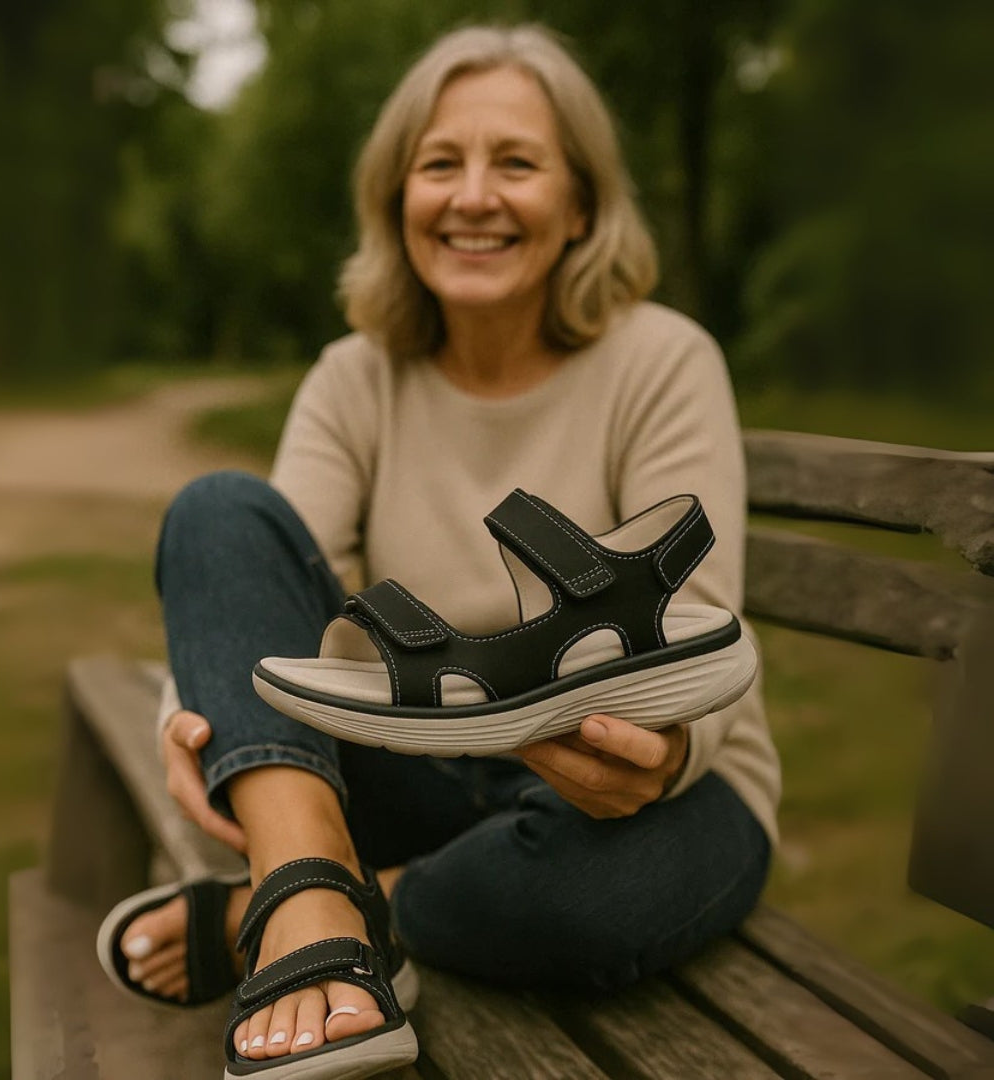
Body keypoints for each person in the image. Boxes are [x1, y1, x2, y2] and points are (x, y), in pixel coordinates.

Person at [104, 23, 780, 1079]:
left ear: (582, 207)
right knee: (217, 505)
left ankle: (299, 901)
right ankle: (323, 905)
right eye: (438, 165)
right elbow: (255, 576)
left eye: (516, 163)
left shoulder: (662, 360)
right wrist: (197, 724)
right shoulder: (355, 376)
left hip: (621, 791)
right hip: (414, 761)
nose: (472, 197)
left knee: (589, 904)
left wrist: (660, 757)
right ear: (396, 202)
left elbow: (700, 634)